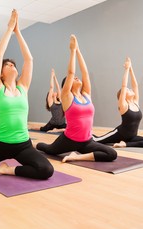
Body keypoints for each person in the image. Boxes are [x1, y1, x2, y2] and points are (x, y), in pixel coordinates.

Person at [0, 9, 54, 179]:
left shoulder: (22, 88)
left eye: (13, 65)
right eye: (8, 65)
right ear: (1, 73)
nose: (12, 66)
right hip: (0, 143)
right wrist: (9, 29)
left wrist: (18, 32)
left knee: (47, 170)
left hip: (23, 145)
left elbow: (29, 60)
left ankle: (7, 169)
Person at [36, 35, 117, 163]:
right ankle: (33, 145)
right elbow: (71, 73)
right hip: (68, 140)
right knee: (46, 148)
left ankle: (77, 156)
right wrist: (72, 51)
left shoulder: (86, 94)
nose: (77, 78)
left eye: (76, 78)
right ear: (66, 85)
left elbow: (85, 72)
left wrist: (78, 50)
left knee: (112, 154)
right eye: (74, 79)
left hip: (87, 141)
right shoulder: (67, 97)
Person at [92, 57, 143, 148]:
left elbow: (135, 86)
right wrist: (126, 70)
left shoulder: (135, 103)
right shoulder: (124, 105)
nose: (130, 89)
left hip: (132, 137)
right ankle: (79, 134)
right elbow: (124, 85)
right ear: (123, 94)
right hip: (119, 134)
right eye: (127, 90)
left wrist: (131, 68)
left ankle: (125, 144)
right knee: (96, 140)